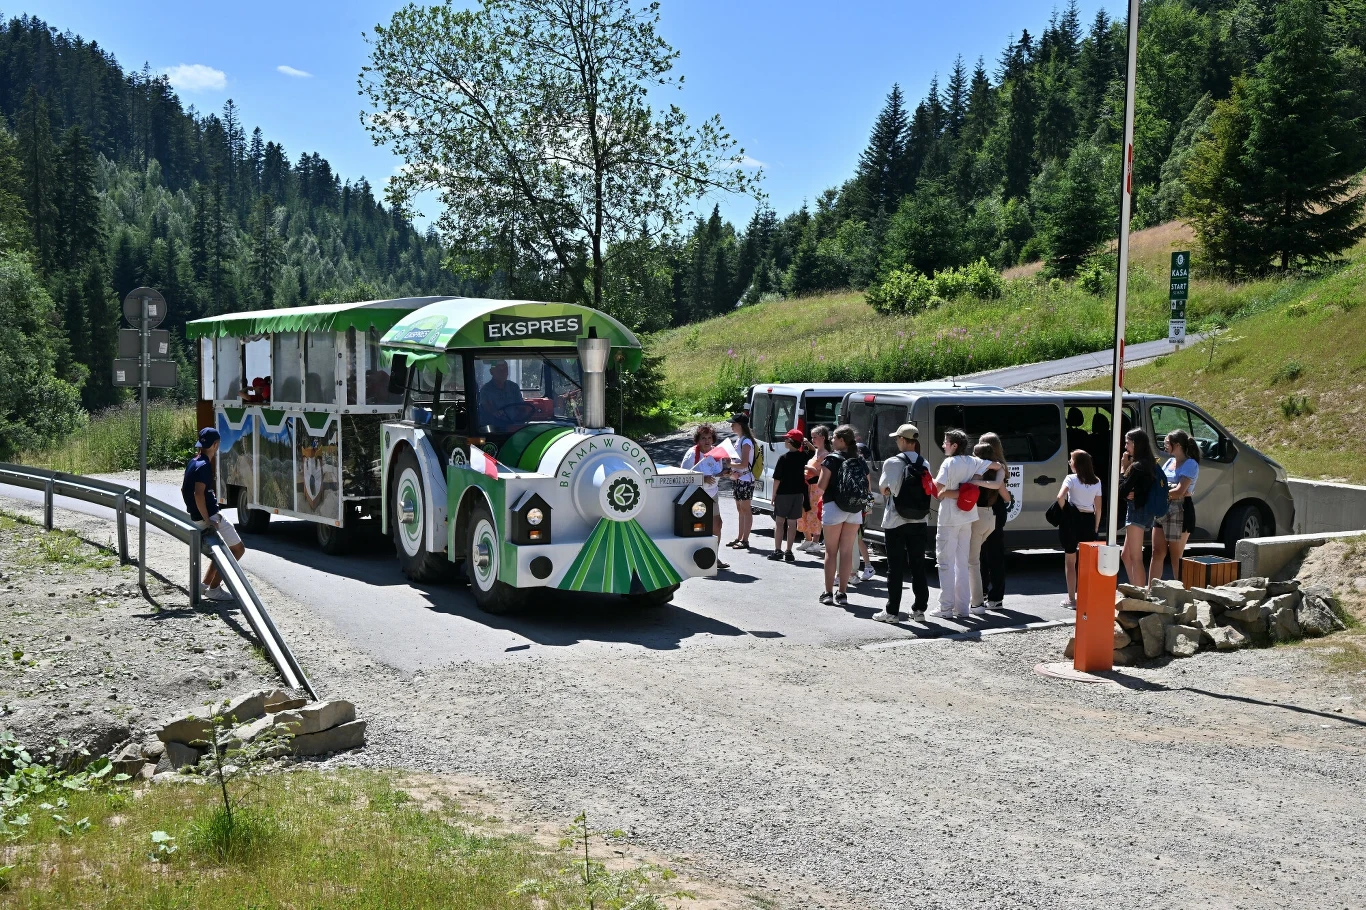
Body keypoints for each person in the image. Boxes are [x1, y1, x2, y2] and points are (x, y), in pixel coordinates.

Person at [931, 429, 999, 620]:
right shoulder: (973, 461)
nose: (943, 445)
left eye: (945, 442)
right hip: (968, 515)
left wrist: (934, 484)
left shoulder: (948, 463)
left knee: (945, 562)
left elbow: (936, 489)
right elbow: (997, 465)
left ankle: (945, 607)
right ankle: (962, 608)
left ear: (954, 445)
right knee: (962, 563)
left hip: (949, 517)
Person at [871, 423, 931, 623]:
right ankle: (920, 609)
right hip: (920, 519)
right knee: (918, 565)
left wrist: (892, 490)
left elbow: (883, 489)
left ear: (905, 441)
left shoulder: (891, 462)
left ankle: (892, 612)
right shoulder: (925, 463)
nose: (896, 441)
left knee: (895, 567)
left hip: (896, 520)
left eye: (897, 438)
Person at [181, 427, 245, 603]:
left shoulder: (193, 462)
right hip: (210, 516)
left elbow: (184, 489)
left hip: (197, 516)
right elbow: (198, 494)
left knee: (221, 550)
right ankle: (215, 589)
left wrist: (194, 512)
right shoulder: (204, 466)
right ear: (215, 445)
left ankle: (204, 585)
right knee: (238, 549)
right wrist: (207, 519)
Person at [817, 425, 866, 606]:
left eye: (834, 438)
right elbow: (866, 488)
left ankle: (828, 593)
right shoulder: (859, 460)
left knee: (831, 552)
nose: (831, 440)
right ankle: (842, 593)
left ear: (842, 441)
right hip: (854, 510)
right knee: (846, 552)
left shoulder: (831, 459)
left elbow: (821, 486)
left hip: (833, 506)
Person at [967, 434, 1011, 614]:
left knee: (980, 556)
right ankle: (996, 597)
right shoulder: (1000, 467)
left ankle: (982, 593)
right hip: (997, 511)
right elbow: (1005, 495)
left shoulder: (976, 468)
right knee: (996, 555)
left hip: (980, 512)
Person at [1150, 429, 1201, 583]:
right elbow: (1162, 484)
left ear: (1177, 445)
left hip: (1181, 510)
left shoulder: (1190, 463)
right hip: (1162, 509)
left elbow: (1179, 491)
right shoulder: (1170, 462)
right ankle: (1151, 591)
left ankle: (1181, 593)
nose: (1165, 446)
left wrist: (1160, 493)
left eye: (1167, 443)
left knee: (1175, 555)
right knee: (1157, 552)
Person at [1055, 449, 1103, 608]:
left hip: (1072, 519)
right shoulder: (1096, 481)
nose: (1069, 462)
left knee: (1070, 560)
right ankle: (1086, 596)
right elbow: (1099, 508)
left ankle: (1071, 599)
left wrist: (1067, 511)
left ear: (1076, 464)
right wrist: (1096, 526)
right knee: (1086, 562)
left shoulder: (1071, 479)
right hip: (1088, 519)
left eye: (1071, 459)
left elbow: (1060, 497)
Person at [681, 423, 729, 571]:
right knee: (698, 527)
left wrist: (726, 473)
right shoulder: (691, 454)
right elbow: (683, 475)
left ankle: (714, 557)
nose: (707, 441)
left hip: (712, 493)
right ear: (698, 440)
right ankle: (695, 559)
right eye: (703, 438)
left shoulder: (717, 452)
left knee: (717, 524)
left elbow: (718, 472)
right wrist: (702, 478)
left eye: (709, 438)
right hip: (697, 495)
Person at [1118, 427, 1159, 586]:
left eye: (1127, 443)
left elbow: (1122, 491)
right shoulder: (1149, 462)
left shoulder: (1136, 466)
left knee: (1136, 557)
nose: (1125, 447)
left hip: (1137, 512)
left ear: (1136, 444)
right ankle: (1135, 589)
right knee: (1126, 555)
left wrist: (1123, 468)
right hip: (1142, 510)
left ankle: (1140, 595)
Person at [768, 429, 808, 563]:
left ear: (790, 442)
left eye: (786, 439)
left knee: (779, 523)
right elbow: (813, 452)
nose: (784, 441)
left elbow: (777, 479)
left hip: (783, 494)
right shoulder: (803, 457)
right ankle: (789, 551)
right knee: (792, 523)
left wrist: (773, 495)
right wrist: (806, 443)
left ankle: (777, 550)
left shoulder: (783, 458)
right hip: (798, 494)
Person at [726, 413, 757, 550]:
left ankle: (745, 540)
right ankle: (739, 537)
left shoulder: (746, 442)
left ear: (740, 425)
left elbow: (744, 463)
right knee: (740, 509)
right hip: (738, 478)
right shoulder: (740, 440)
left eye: (734, 423)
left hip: (745, 479)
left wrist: (730, 465)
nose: (731, 426)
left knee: (745, 509)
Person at [797, 426, 830, 554]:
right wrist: (809, 444)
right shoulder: (817, 451)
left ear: (823, 437)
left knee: (815, 513)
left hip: (816, 487)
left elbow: (819, 473)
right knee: (804, 510)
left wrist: (803, 466)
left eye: (815, 437)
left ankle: (815, 541)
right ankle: (808, 538)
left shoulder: (825, 454)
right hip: (808, 486)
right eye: (812, 437)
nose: (813, 439)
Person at [478, 359, 526, 429]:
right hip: (493, 428)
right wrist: (496, 413)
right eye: (499, 370)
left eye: (505, 370)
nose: (503, 373)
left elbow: (521, 407)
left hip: (513, 425)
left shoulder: (514, 387)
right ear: (491, 372)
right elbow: (488, 407)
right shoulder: (486, 390)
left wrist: (520, 421)